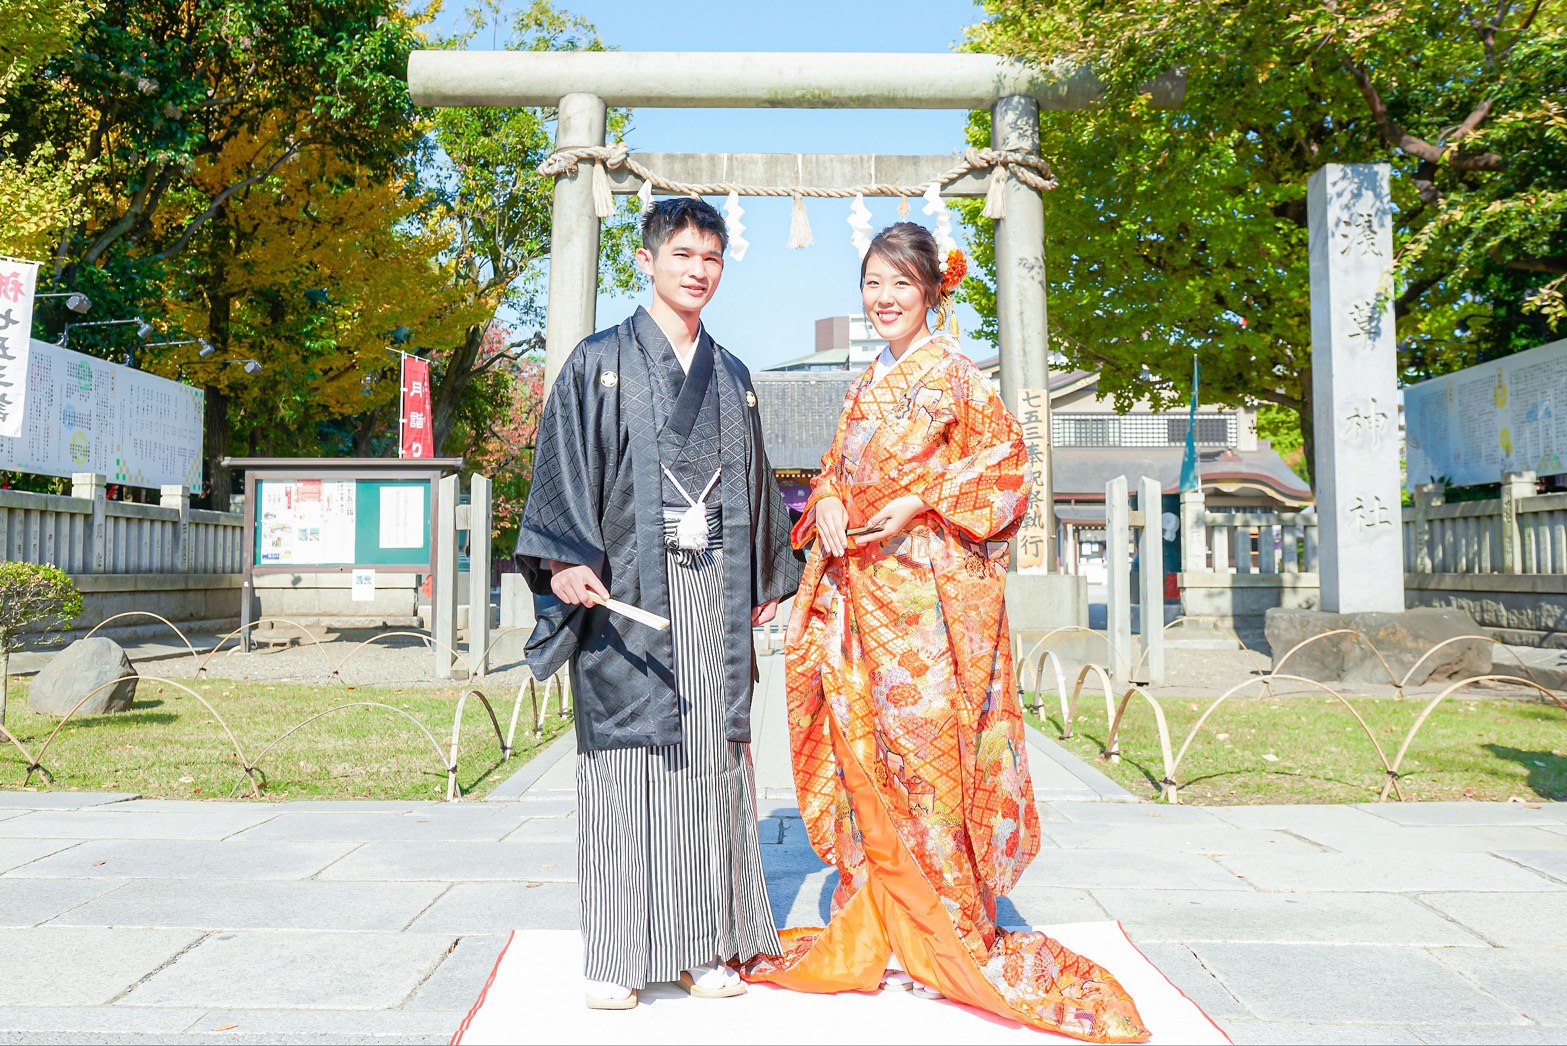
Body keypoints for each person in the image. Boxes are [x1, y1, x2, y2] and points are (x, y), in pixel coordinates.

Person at [744, 223, 1149, 1043]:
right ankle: (883, 929)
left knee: (929, 770)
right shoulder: (865, 383)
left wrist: (921, 501)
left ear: (932, 290)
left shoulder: (958, 378)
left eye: (899, 284)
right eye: (871, 284)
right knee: (866, 765)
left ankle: (946, 936)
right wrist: (823, 501)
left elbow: (1003, 474)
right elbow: (832, 470)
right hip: (859, 603)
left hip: (929, 613)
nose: (884, 299)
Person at [515, 197, 802, 1011]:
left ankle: (704, 942)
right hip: (626, 598)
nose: (697, 270)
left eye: (710, 257)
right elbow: (564, 466)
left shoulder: (735, 377)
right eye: (681, 254)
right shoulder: (596, 362)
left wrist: (764, 581)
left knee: (709, 766)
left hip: (711, 597)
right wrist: (565, 559)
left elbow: (758, 490)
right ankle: (617, 952)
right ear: (645, 260)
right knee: (625, 764)